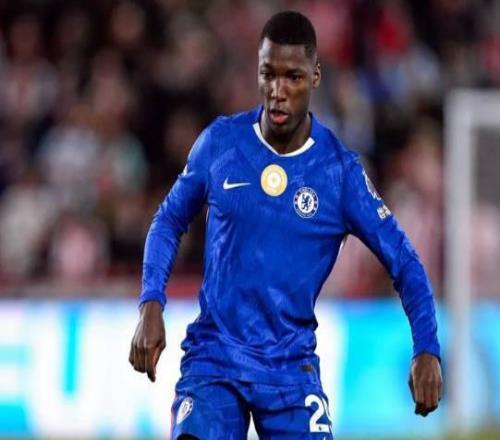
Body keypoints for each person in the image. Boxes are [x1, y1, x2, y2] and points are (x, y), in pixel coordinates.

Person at [129, 11, 442, 439]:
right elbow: (168, 220)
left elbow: (404, 261)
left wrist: (426, 348)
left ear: (315, 77)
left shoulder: (339, 173)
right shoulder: (221, 143)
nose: (277, 91)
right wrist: (151, 302)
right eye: (268, 74)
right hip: (215, 360)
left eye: (292, 77)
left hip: (290, 372)